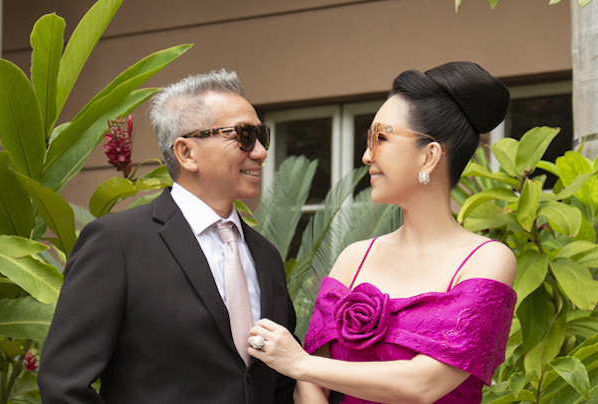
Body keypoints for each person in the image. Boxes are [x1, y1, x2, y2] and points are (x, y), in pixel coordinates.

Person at [246, 61, 517, 404]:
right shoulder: (354, 257)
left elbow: (425, 384)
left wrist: (300, 363)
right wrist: (305, 369)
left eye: (380, 139)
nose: (366, 156)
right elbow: (310, 385)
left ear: (429, 156)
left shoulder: (488, 260)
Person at [38, 69, 296, 403]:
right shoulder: (117, 243)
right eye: (245, 136)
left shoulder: (265, 254)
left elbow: (279, 383)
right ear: (186, 152)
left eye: (263, 136)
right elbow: (63, 385)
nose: (260, 152)